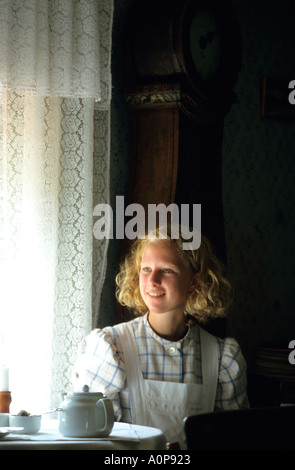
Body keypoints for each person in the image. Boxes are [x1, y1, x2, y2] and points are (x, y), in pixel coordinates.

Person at [72, 226, 249, 447]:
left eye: (166, 270)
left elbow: (234, 441)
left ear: (193, 281)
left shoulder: (223, 359)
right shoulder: (112, 348)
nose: (152, 280)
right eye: (146, 269)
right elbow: (88, 437)